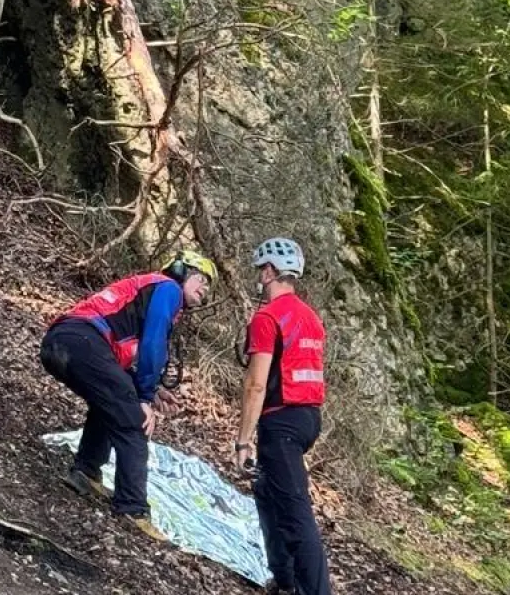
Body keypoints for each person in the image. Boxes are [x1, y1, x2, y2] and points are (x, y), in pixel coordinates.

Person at [39, 250, 217, 541]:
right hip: (83, 340)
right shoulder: (168, 288)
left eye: (207, 285)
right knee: (134, 419)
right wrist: (144, 398)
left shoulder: (150, 289)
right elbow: (153, 343)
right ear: (181, 273)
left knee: (113, 402)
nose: (204, 289)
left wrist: (151, 388)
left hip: (63, 341)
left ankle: (86, 471)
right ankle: (132, 508)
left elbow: (127, 357)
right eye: (200, 279)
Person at [234, 237, 331, 595]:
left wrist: (243, 441)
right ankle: (285, 578)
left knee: (295, 513)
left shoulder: (268, 317)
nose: (260, 276)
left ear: (271, 271)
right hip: (308, 419)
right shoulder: (310, 317)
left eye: (262, 269)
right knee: (267, 491)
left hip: (281, 422)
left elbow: (256, 384)